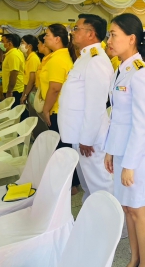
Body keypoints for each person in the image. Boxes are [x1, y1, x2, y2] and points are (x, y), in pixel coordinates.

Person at [103, 13, 145, 267]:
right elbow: (117, 118)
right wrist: (111, 151)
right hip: (122, 150)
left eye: (114, 35)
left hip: (136, 154)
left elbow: (140, 125)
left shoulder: (140, 73)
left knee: (138, 209)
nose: (109, 40)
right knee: (126, 208)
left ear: (131, 38)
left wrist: (130, 164)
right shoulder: (121, 69)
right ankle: (134, 258)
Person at [58, 14, 114, 203]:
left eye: (77, 29)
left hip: (89, 137)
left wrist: (87, 139)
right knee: (89, 184)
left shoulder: (96, 60)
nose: (73, 32)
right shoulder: (85, 57)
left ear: (91, 34)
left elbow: (95, 105)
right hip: (80, 133)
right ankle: (95, 219)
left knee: (100, 183)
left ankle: (115, 226)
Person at [41, 24, 75, 146]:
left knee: (60, 147)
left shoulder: (57, 59)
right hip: (62, 110)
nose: (44, 38)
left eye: (47, 35)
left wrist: (46, 110)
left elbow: (55, 88)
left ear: (57, 39)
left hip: (57, 110)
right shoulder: (62, 55)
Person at [0, 34, 25, 107]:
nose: (1, 44)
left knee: (14, 111)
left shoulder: (13, 55)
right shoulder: (13, 53)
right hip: (13, 89)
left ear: (9, 43)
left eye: (3, 41)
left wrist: (9, 91)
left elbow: (14, 73)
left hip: (14, 90)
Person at [19, 35, 41, 112]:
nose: (21, 45)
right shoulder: (29, 58)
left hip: (31, 90)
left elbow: (32, 80)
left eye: (22, 43)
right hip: (27, 89)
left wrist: (25, 95)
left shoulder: (33, 59)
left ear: (29, 46)